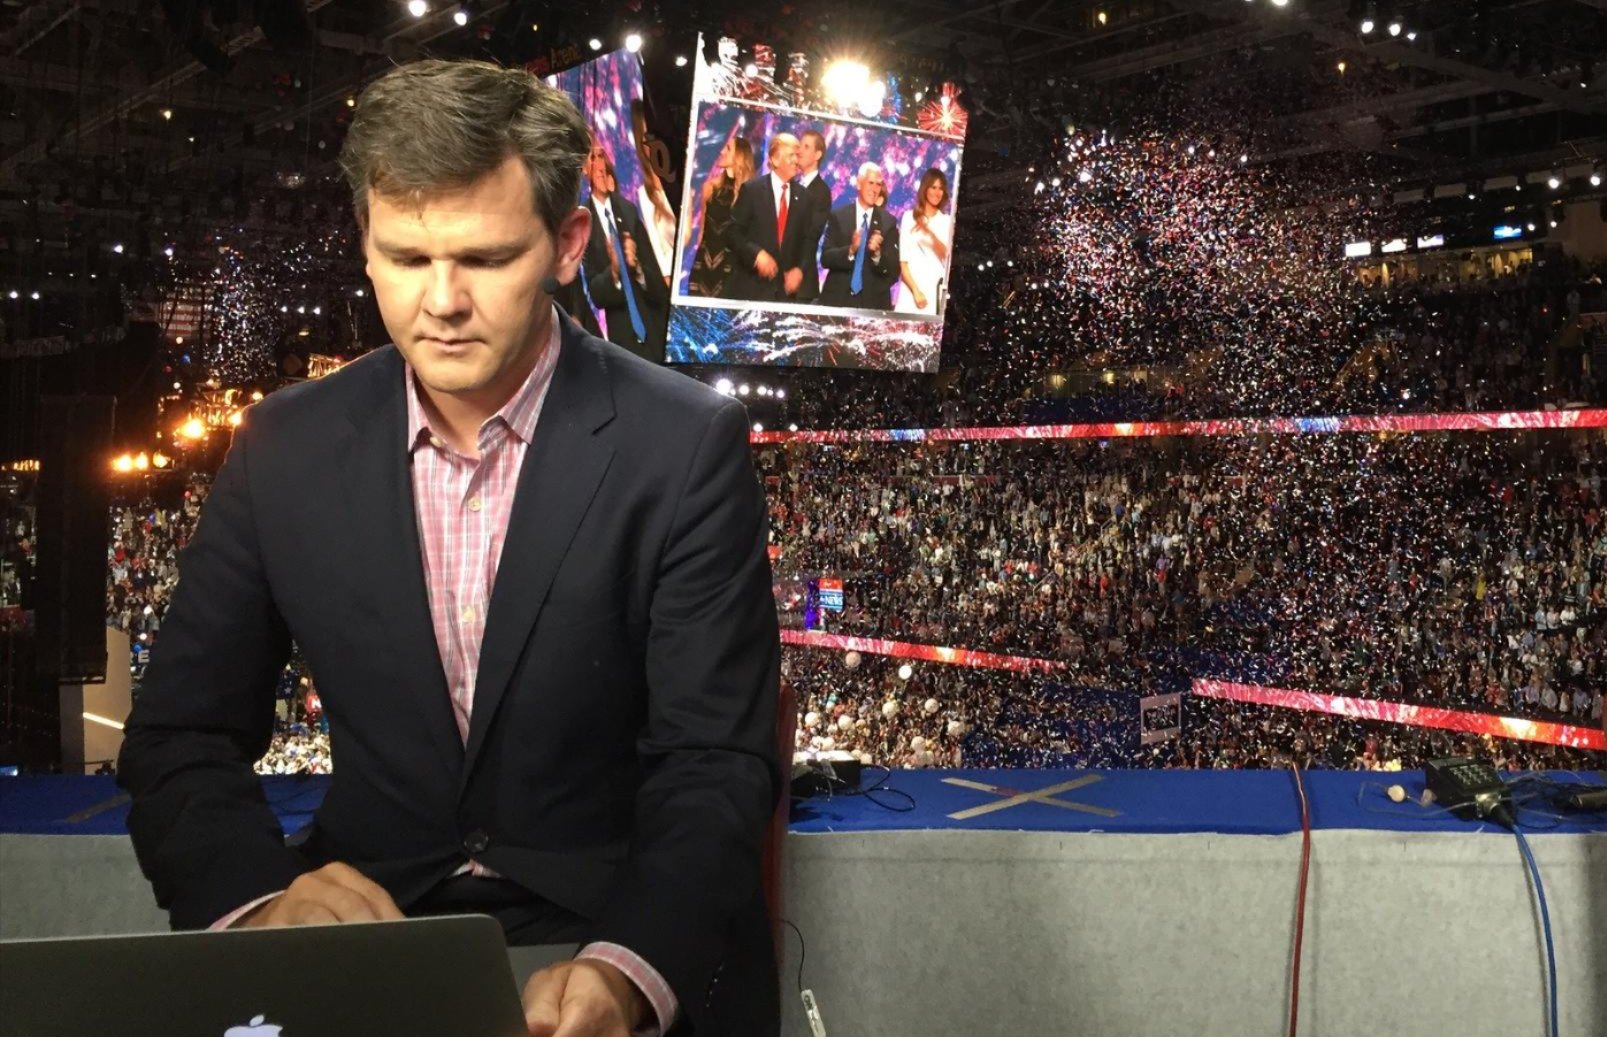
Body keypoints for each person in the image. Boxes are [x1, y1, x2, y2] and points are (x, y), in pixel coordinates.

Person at [117, 58, 781, 1037]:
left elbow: (714, 759)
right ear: (365, 244)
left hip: (620, 931)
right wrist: (260, 903)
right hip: (364, 942)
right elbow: (179, 736)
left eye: (482, 257)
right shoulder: (280, 448)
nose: (441, 302)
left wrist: (626, 968)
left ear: (566, 244)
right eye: (407, 257)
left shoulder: (683, 446)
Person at [582, 137, 669, 362]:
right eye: (593, 159)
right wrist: (614, 271)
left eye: (602, 157)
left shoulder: (628, 211)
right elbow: (596, 294)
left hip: (654, 327)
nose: (600, 166)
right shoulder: (584, 222)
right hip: (623, 338)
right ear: (584, 170)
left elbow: (658, 285)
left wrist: (637, 267)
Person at [723, 132, 809, 303]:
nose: (796, 161)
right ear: (775, 160)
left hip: (783, 296)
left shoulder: (804, 197)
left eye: (797, 156)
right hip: (750, 290)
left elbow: (807, 241)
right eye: (791, 155)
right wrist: (756, 254)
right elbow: (732, 233)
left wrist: (799, 269)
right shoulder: (752, 190)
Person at [820, 162, 899, 310]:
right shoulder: (839, 216)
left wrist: (877, 256)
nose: (875, 189)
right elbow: (825, 258)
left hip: (872, 304)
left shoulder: (888, 222)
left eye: (878, 184)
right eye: (870, 183)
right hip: (838, 300)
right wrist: (850, 250)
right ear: (858, 184)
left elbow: (894, 271)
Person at [688, 134, 754, 298]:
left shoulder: (750, 193)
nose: (722, 151)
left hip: (731, 268)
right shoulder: (709, 188)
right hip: (704, 265)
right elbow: (703, 232)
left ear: (739, 156)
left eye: (728, 148)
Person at [629, 100, 677, 289]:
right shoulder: (644, 195)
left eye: (656, 136)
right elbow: (659, 254)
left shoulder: (683, 182)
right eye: (647, 138)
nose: (654, 145)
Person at [896, 168, 953, 315]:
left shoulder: (947, 221)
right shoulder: (909, 217)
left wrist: (930, 235)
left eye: (940, 188)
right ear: (925, 188)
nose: (937, 192)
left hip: (934, 290)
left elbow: (946, 258)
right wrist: (915, 291)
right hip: (910, 290)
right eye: (933, 187)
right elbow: (903, 261)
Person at [793, 129, 833, 304]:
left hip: (801, 281)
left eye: (806, 146)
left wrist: (798, 270)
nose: (799, 150)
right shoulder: (791, 185)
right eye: (799, 145)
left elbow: (811, 235)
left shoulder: (821, 192)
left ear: (817, 155)